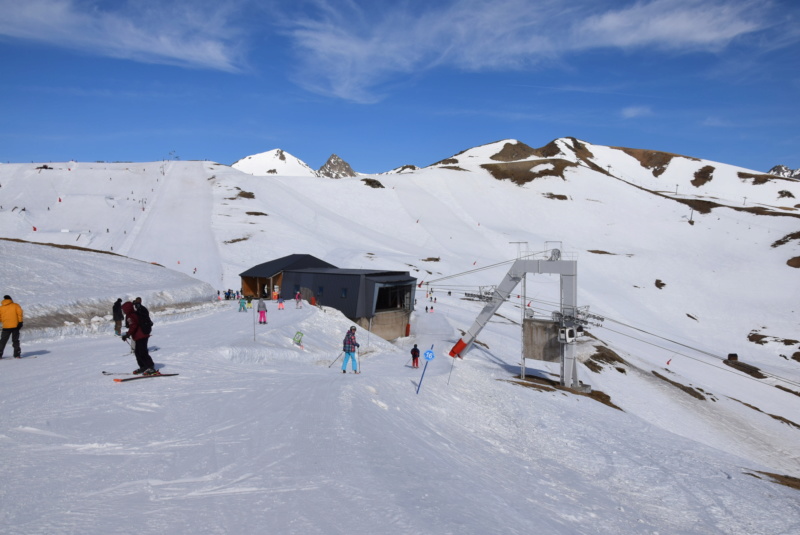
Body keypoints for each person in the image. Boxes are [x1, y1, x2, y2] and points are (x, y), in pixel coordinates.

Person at [121, 301, 156, 375]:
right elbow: (133, 326)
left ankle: (150, 367)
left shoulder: (130, 316)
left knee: (142, 352)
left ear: (127, 309)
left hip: (141, 335)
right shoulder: (132, 314)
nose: (123, 311)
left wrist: (127, 334)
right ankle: (143, 366)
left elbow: (133, 326)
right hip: (139, 335)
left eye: (123, 309)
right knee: (137, 352)